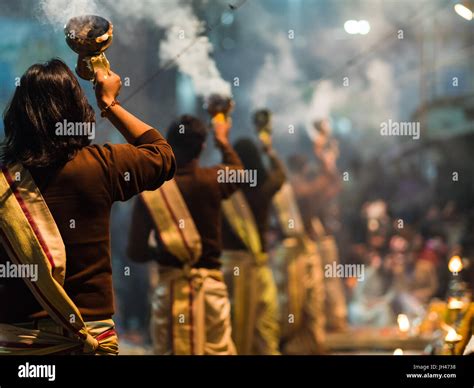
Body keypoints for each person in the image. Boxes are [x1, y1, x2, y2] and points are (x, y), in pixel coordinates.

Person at [0, 59, 176, 354]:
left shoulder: (4, 183)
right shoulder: (102, 166)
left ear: (19, 114)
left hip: (21, 348)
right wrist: (110, 103)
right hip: (93, 342)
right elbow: (162, 154)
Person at [128, 114, 243, 355]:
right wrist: (222, 139)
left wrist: (164, 252)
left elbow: (136, 252)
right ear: (202, 147)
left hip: (170, 295)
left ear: (168, 145)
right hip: (210, 295)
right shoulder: (213, 180)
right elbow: (239, 172)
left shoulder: (151, 190)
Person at [222, 137, 285, 355]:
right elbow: (280, 176)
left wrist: (224, 146)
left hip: (229, 272)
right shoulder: (263, 192)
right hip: (259, 271)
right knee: (264, 330)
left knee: (232, 331)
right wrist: (270, 151)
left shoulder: (224, 191)